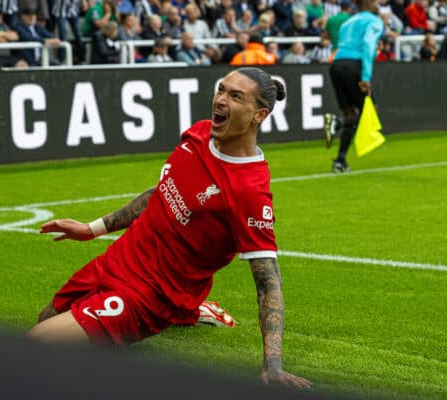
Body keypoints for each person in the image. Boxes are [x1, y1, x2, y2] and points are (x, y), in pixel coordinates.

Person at [27, 67, 312, 391]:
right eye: (221, 90)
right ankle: (190, 310)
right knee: (45, 321)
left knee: (37, 345)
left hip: (148, 295)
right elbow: (163, 191)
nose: (220, 99)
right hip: (117, 260)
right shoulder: (199, 133)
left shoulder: (250, 191)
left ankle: (183, 308)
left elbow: (268, 280)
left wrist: (272, 364)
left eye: (235, 96)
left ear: (258, 115)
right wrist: (93, 229)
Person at [323, 0, 384, 172]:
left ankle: (340, 161)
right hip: (354, 65)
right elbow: (367, 43)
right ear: (368, 3)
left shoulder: (347, 22)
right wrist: (365, 76)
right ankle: (337, 123)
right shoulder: (373, 21)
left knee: (350, 112)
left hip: (336, 64)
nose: (378, 4)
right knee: (370, 112)